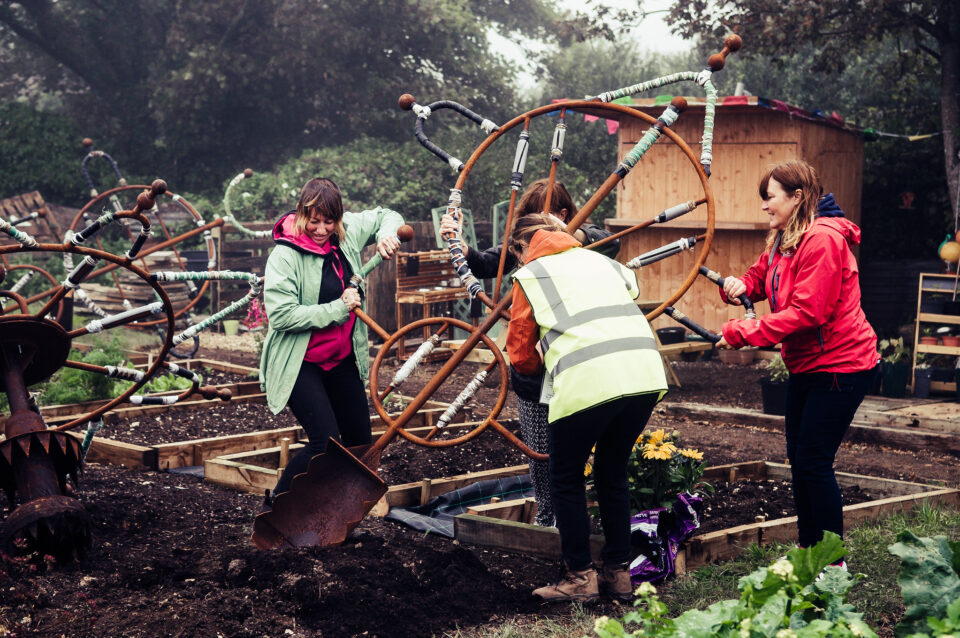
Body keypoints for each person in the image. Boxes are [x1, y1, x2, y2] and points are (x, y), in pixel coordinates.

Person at [717, 160, 879, 564]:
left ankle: (831, 562)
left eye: (769, 198)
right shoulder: (783, 237)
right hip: (808, 365)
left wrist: (743, 333)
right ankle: (810, 549)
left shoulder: (822, 240)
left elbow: (810, 313)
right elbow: (761, 276)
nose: (764, 207)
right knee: (799, 458)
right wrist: (740, 285)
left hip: (842, 365)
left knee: (813, 460)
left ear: (798, 197)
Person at [440, 179, 620, 528]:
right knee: (540, 448)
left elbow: (610, 241)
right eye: (529, 220)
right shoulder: (525, 255)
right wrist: (461, 246)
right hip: (536, 362)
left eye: (544, 218)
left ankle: (585, 516)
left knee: (580, 448)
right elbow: (488, 262)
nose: (535, 232)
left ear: (564, 215)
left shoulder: (586, 241)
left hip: (577, 358)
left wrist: (564, 236)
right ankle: (548, 516)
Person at [506, 212, 667, 603]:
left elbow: (521, 353)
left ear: (520, 247)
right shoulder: (605, 262)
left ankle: (579, 577)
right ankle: (618, 574)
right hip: (644, 375)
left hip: (589, 381)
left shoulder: (530, 276)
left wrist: (536, 367)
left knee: (565, 476)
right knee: (612, 473)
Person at [259, 178, 403, 503]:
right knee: (324, 443)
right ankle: (276, 508)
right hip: (301, 362)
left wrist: (385, 236)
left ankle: (332, 520)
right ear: (301, 213)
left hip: (341, 360)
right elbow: (281, 316)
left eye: (329, 221)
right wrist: (338, 308)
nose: (322, 229)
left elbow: (387, 214)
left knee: (358, 444)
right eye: (314, 220)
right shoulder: (285, 255)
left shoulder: (345, 232)